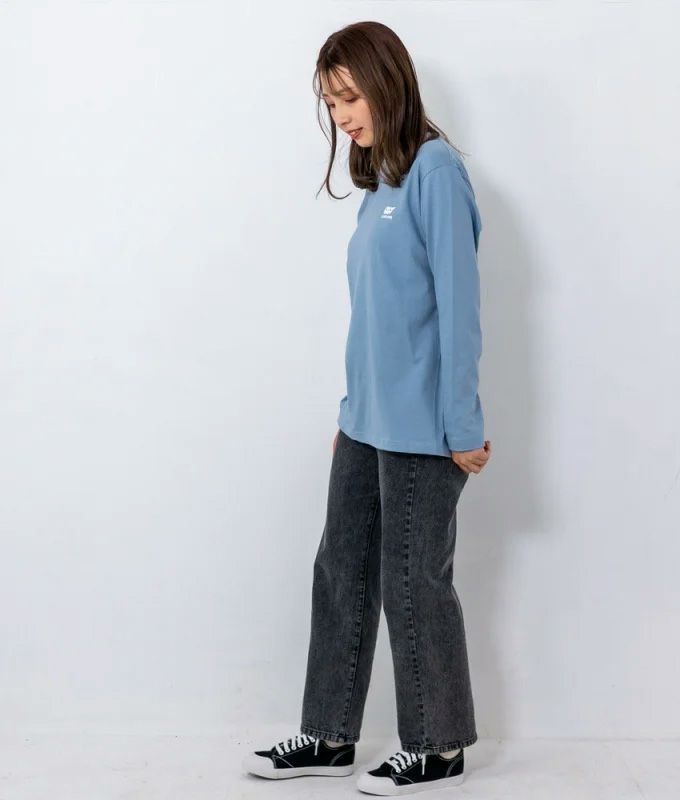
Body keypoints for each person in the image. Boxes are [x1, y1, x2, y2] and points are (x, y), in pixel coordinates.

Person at [242, 20, 491, 795]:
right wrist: (349, 412)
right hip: (365, 422)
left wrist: (464, 425)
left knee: (414, 582)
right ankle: (328, 735)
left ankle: (438, 748)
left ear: (388, 82)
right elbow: (375, 317)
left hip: (423, 428)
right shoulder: (382, 183)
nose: (342, 115)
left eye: (350, 96)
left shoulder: (436, 172)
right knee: (339, 571)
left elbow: (459, 309)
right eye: (331, 102)